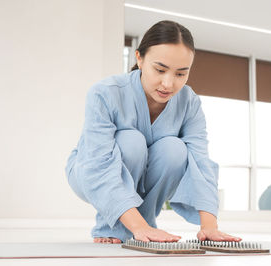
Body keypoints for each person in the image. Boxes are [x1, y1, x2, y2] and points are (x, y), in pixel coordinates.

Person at [65, 20, 241, 244]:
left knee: (175, 149)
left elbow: (200, 162)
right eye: (160, 70)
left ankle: (145, 224)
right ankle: (119, 227)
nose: (168, 84)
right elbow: (97, 164)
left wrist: (209, 227)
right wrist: (136, 226)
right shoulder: (105, 93)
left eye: (180, 74)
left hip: (147, 173)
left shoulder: (189, 102)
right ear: (139, 58)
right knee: (131, 141)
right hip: (89, 169)